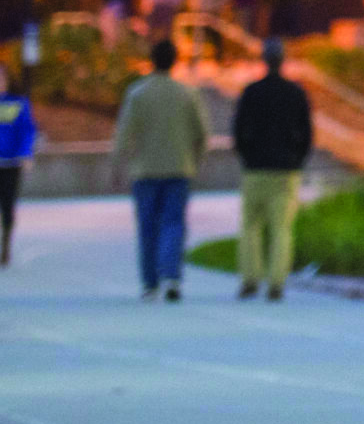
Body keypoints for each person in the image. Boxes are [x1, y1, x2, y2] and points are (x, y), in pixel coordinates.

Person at [111, 36, 209, 302]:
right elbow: (202, 133)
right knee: (174, 224)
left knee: (147, 226)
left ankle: (149, 282)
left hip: (144, 171)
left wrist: (117, 166)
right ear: (174, 61)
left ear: (151, 61)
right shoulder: (187, 94)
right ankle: (171, 276)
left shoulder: (137, 93)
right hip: (179, 169)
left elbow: (123, 134)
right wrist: (196, 160)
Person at [231, 37, 313, 300]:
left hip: (255, 169)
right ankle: (277, 282)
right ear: (283, 60)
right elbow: (307, 132)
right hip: (286, 170)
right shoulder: (295, 93)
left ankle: (250, 279)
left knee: (250, 226)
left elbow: (238, 130)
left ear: (263, 60)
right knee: (281, 228)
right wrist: (297, 159)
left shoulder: (251, 92)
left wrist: (246, 156)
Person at [0, 59, 37, 269]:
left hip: (10, 164)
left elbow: (27, 130)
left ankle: (4, 247)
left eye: (2, 78)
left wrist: (25, 154)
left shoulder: (19, 103)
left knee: (7, 206)